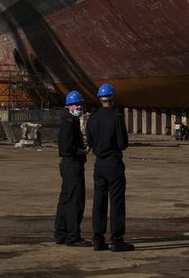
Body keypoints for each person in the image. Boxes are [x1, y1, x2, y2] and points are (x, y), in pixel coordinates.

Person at [85, 83, 133, 252]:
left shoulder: (93, 118)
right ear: (113, 98)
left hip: (99, 164)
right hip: (113, 163)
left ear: (100, 99)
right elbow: (123, 143)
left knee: (99, 201)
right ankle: (116, 240)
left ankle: (98, 239)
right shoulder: (116, 117)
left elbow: (89, 141)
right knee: (117, 201)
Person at [54, 90, 90, 247]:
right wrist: (82, 151)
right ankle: (73, 236)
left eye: (80, 104)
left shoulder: (70, 122)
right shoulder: (69, 124)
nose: (79, 107)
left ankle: (61, 233)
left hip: (69, 165)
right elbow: (66, 149)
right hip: (72, 165)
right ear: (69, 106)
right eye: (76, 105)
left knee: (65, 199)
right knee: (75, 201)